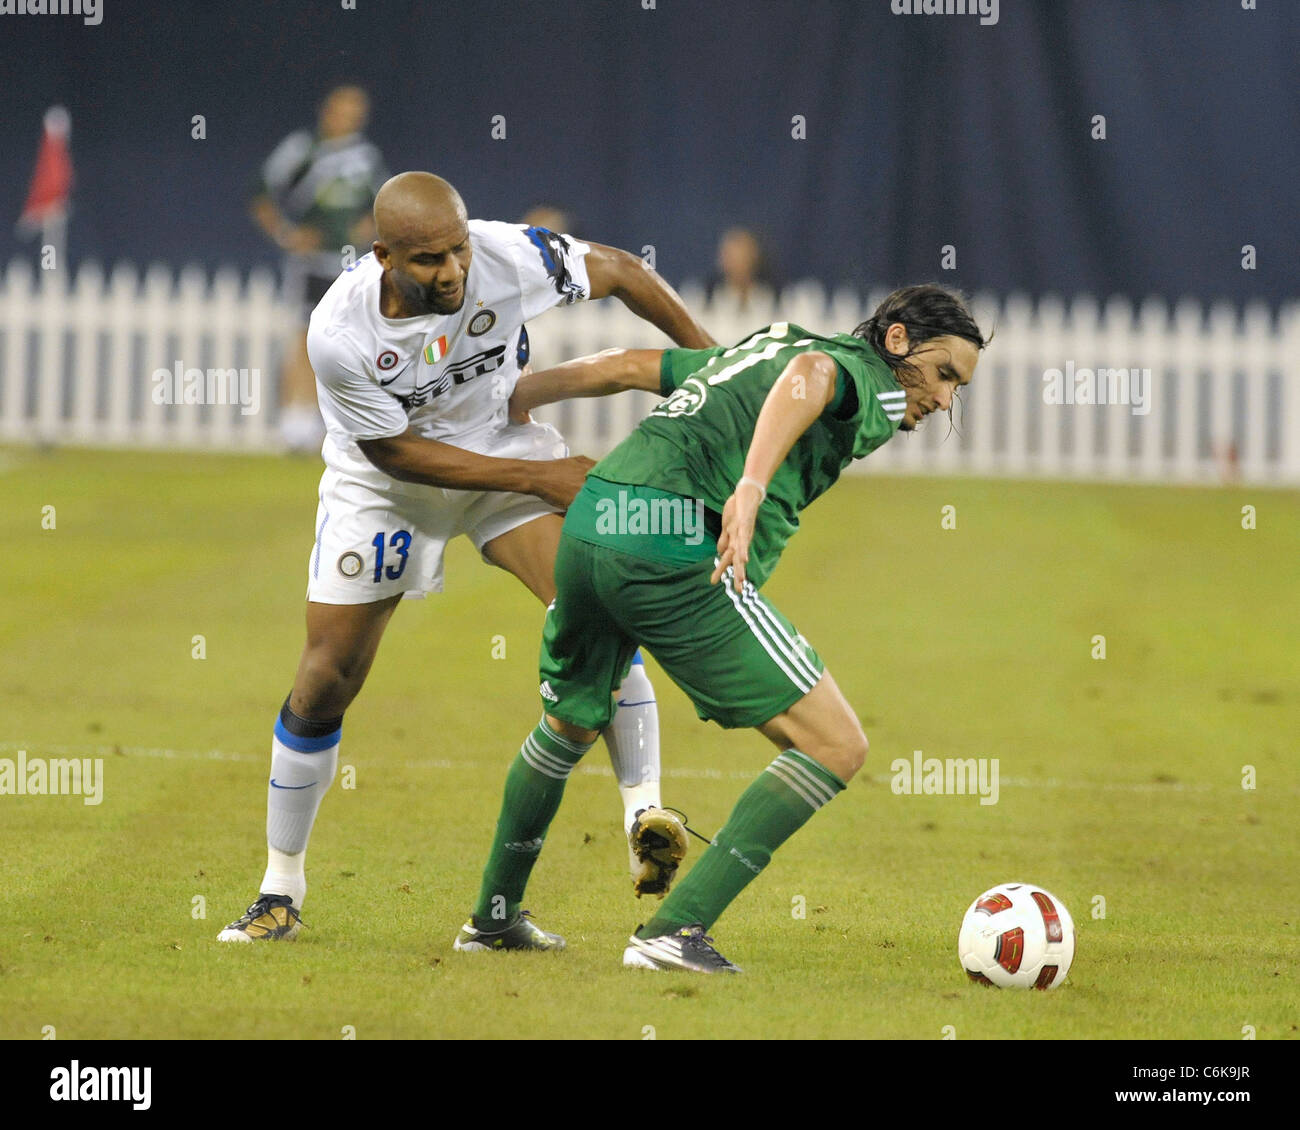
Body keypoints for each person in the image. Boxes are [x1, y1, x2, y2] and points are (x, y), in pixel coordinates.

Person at [218, 172, 715, 943]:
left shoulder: (506, 252)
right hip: (388, 486)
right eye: (428, 261)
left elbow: (620, 269)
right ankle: (279, 888)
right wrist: (540, 474)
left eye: (457, 251)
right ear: (383, 256)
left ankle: (643, 811)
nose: (453, 271)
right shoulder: (338, 331)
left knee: (596, 603)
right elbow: (393, 453)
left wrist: (715, 365)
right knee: (325, 680)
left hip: (496, 446)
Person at [454, 284, 987, 971]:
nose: (945, 399)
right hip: (669, 548)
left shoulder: (766, 345)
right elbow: (811, 380)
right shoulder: (861, 376)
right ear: (896, 341)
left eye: (959, 388)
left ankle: (492, 921)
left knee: (570, 726)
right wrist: (752, 485)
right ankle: (671, 933)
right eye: (944, 374)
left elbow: (627, 365)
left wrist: (521, 395)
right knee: (835, 745)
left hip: (593, 524)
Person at [251, 86, 388, 454]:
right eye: (342, 109)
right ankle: (292, 423)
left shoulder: (365, 158)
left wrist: (368, 227)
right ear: (327, 110)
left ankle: (325, 423)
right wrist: (286, 234)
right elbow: (261, 192)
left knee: (345, 342)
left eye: (356, 111)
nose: (348, 118)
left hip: (351, 265)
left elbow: (384, 201)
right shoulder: (302, 150)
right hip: (311, 263)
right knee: (303, 337)